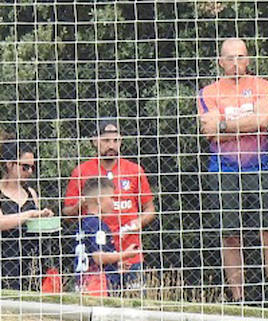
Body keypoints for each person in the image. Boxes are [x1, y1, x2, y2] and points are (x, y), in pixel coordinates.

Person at [197, 37, 268, 304]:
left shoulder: (264, 86)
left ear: (248, 59)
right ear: (220, 62)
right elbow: (208, 132)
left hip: (260, 165)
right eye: (230, 58)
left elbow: (264, 120)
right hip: (223, 168)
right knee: (230, 235)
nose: (236, 63)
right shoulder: (208, 92)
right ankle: (240, 300)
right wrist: (246, 123)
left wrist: (224, 124)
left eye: (241, 57)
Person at [60, 120, 155, 290]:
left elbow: (150, 209)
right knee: (99, 302)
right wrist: (81, 205)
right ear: (94, 141)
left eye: (115, 140)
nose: (111, 145)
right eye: (106, 140)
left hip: (129, 252)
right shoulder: (82, 171)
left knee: (135, 303)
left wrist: (136, 224)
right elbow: (67, 213)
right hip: (96, 255)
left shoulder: (134, 170)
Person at [73, 177, 140, 294]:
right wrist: (125, 255)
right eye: (111, 198)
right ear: (99, 200)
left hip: (83, 284)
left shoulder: (83, 224)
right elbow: (98, 257)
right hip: (98, 287)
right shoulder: (98, 226)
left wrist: (115, 264)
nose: (114, 202)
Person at [0, 142, 52, 290]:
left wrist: (43, 216)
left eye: (32, 167)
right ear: (10, 164)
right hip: (5, 257)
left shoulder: (31, 193)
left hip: (30, 259)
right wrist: (29, 214)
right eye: (25, 167)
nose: (29, 171)